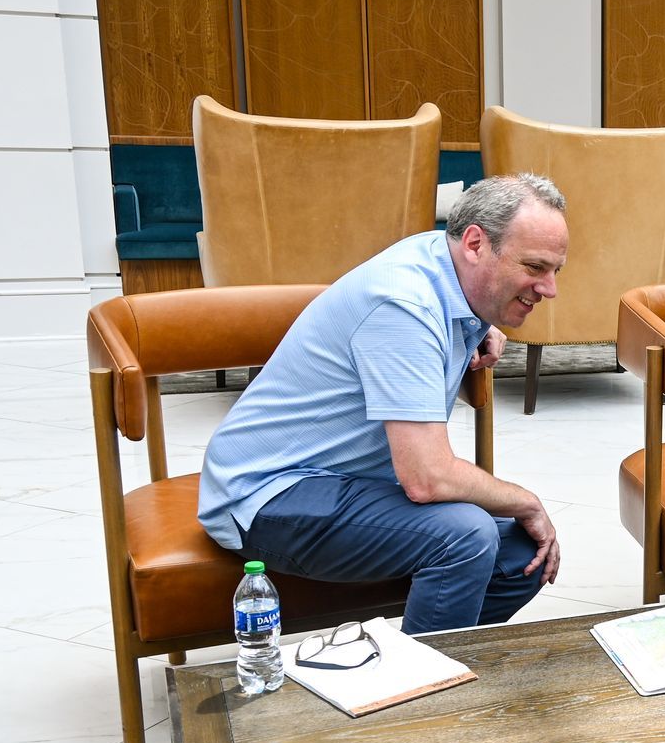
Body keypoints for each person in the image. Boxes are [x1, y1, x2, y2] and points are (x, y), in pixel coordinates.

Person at [198, 174, 568, 634]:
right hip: (268, 494)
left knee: (520, 556)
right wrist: (527, 502)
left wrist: (480, 323)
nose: (549, 289)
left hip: (346, 480)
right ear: (475, 242)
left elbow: (458, 301)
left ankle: (422, 661)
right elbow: (426, 478)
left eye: (555, 270)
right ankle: (421, 693)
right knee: (467, 537)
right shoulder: (403, 304)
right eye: (535, 267)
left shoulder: (444, 262)